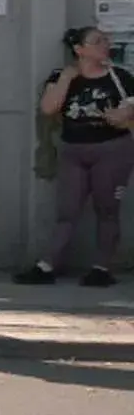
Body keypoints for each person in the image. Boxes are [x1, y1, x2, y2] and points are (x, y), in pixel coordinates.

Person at [14, 26, 134, 287]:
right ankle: (48, 265)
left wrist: (124, 114)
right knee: (67, 210)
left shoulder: (121, 77)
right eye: (97, 41)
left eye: (106, 40)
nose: (105, 45)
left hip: (111, 149)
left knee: (107, 209)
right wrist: (67, 78)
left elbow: (131, 108)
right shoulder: (61, 76)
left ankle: (102, 267)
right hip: (73, 150)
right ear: (79, 49)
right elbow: (48, 108)